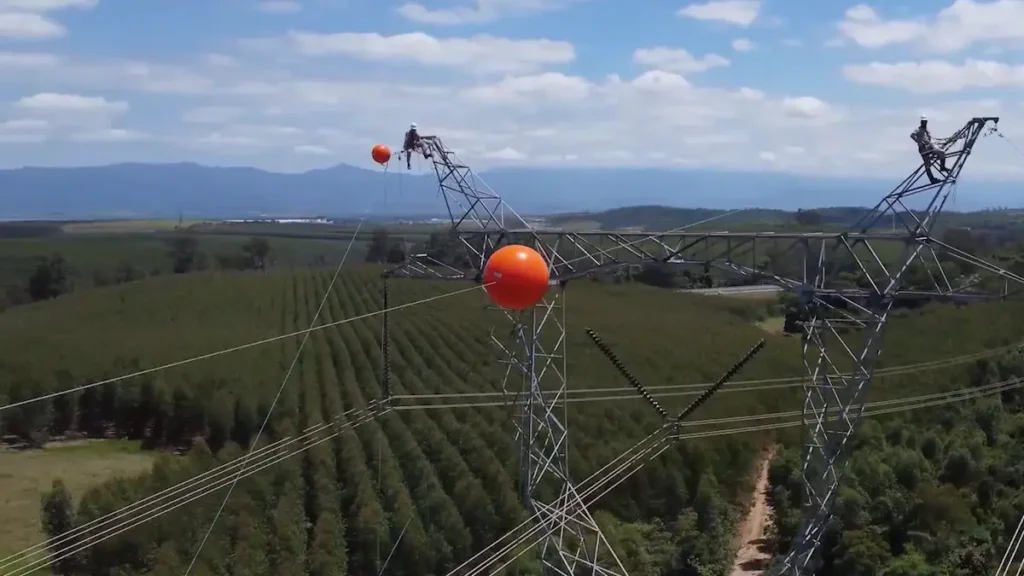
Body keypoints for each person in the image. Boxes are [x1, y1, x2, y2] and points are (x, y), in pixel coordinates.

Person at [911, 114, 951, 184]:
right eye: (923, 122)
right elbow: (912, 135)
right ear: (921, 122)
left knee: (940, 153)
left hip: (930, 148)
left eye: (925, 122)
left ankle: (941, 168)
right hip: (924, 149)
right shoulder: (918, 129)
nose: (925, 123)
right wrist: (918, 141)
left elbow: (930, 140)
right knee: (928, 164)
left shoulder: (927, 131)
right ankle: (933, 178)